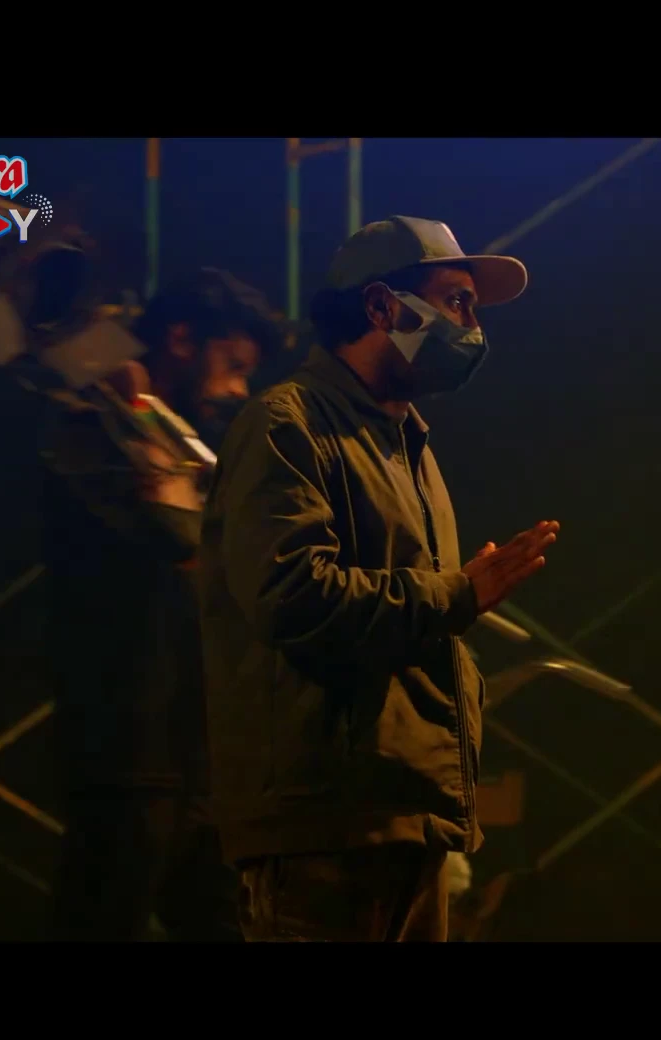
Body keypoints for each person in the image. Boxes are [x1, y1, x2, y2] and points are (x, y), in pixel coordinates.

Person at [198, 216, 559, 942]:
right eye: (455, 300)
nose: (471, 325)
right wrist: (458, 594)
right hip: (325, 826)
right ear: (381, 307)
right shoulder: (288, 425)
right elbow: (293, 597)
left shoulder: (406, 442)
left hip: (405, 815)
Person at [42, 268, 278, 941]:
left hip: (205, 750)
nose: (239, 390)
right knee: (104, 917)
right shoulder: (91, 428)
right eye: (233, 366)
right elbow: (175, 538)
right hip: (128, 748)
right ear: (181, 339)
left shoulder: (197, 450)